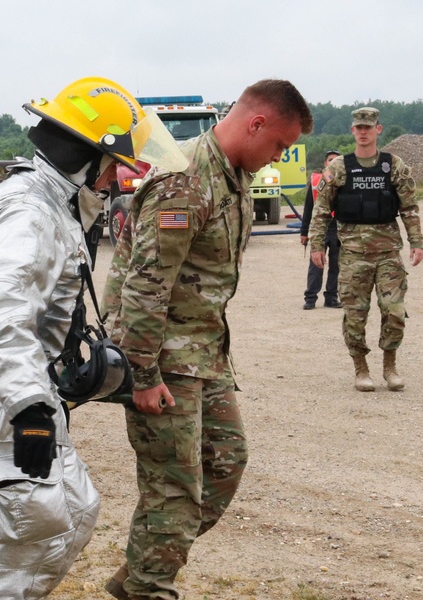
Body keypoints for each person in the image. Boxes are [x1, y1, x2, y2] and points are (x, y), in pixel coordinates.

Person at [0, 76, 187, 600]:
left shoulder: (53, 204)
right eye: (114, 166)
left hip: (13, 395)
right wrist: (27, 407)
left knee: (73, 513)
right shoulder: (30, 214)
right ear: (84, 158)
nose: (116, 180)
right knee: (18, 551)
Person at [103, 79, 313, 600]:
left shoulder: (233, 176)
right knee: (174, 491)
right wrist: (144, 377)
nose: (275, 159)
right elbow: (144, 288)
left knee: (225, 463)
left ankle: (139, 573)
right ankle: (150, 588)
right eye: (279, 147)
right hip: (162, 358)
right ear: (256, 123)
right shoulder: (186, 182)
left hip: (203, 354)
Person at [310, 107, 422, 392]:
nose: (363, 132)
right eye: (358, 127)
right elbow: (321, 211)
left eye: (368, 127)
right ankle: (361, 369)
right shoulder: (338, 168)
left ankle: (390, 366)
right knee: (355, 315)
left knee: (394, 312)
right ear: (352, 130)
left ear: (378, 130)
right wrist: (316, 245)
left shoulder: (393, 166)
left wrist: (417, 242)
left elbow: (409, 208)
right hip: (353, 256)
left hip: (388, 255)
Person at [300, 150, 343, 309]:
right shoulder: (317, 182)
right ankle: (310, 298)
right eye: (330, 160)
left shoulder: (345, 181)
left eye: (337, 160)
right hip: (321, 228)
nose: (333, 162)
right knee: (316, 263)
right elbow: (308, 208)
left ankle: (331, 297)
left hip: (338, 228)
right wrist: (304, 232)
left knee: (336, 265)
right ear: (325, 163)